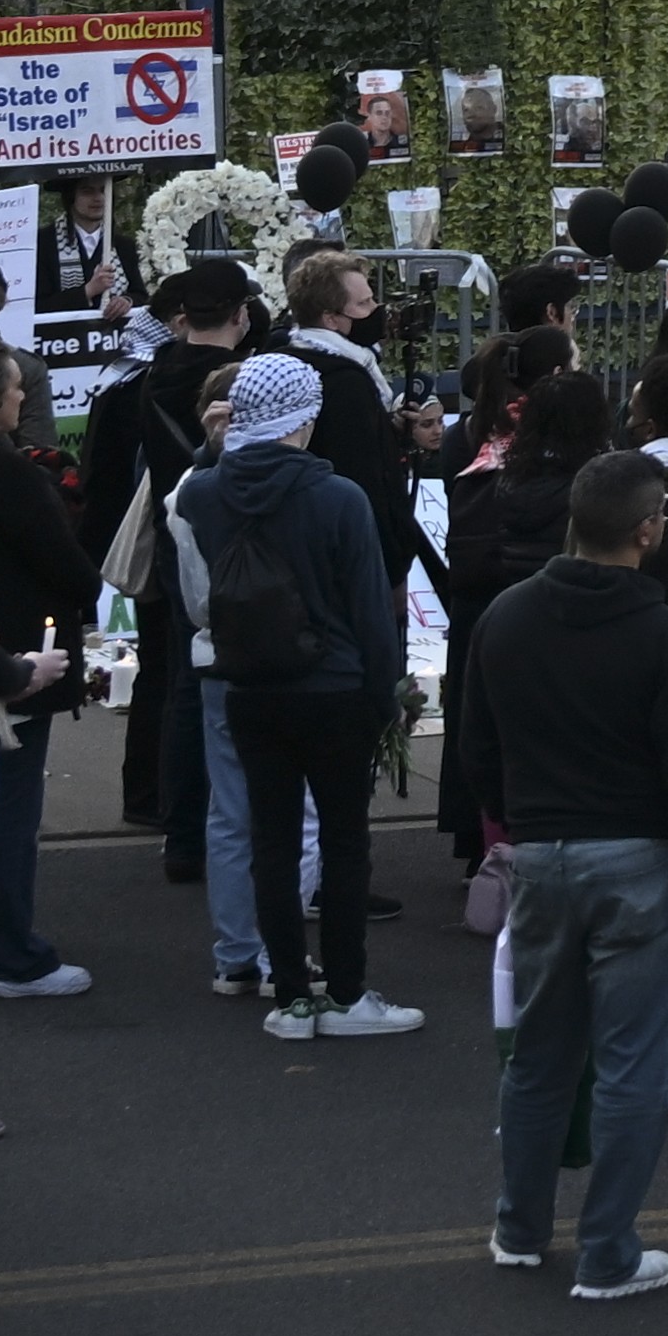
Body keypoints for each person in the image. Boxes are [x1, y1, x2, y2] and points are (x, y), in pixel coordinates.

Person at [454, 446, 668, 1303]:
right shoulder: (663, 633)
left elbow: (478, 751)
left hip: (543, 854)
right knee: (632, 1066)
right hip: (645, 859)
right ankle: (609, 1252)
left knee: (539, 1055)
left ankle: (519, 1227)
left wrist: (525, 823)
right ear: (647, 530)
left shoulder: (508, 617)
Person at [170, 348, 413, 1040]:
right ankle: (345, 994)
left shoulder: (206, 493)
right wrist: (386, 691)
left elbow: (191, 485)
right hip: (333, 685)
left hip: (249, 681)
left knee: (268, 839)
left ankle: (291, 996)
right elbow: (369, 608)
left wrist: (211, 441)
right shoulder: (337, 497)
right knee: (343, 841)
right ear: (306, 417)